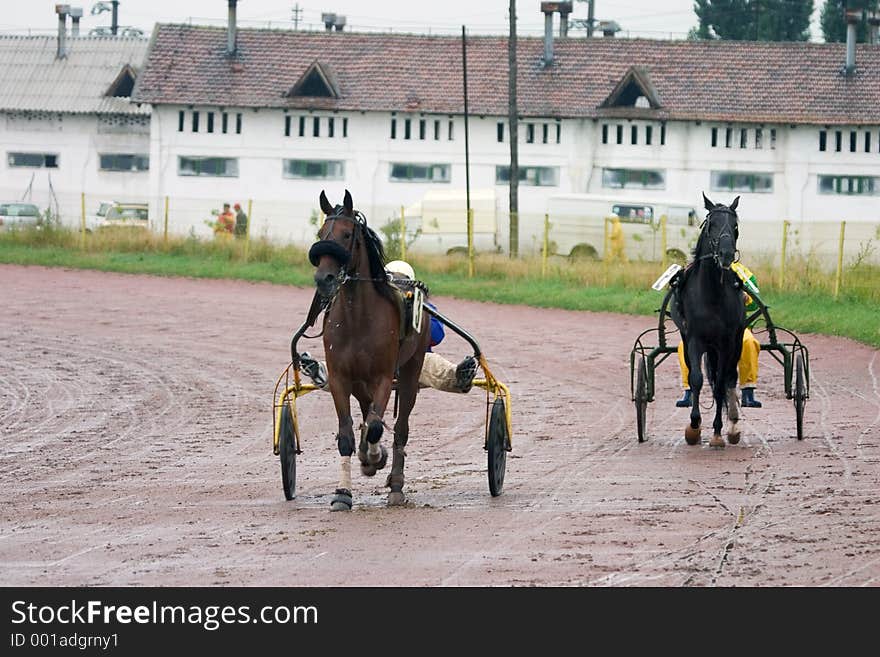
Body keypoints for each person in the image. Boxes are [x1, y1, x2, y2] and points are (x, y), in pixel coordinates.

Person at [298, 260, 478, 394]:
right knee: (345, 365)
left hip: (411, 364)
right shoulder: (374, 308)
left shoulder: (421, 307)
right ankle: (320, 372)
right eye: (394, 281)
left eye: (403, 281)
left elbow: (437, 336)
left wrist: (417, 315)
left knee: (430, 362)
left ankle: (458, 377)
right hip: (373, 363)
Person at [675, 261, 762, 408]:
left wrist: (746, 299)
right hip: (702, 327)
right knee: (685, 346)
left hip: (733, 328)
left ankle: (748, 391)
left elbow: (755, 301)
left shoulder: (742, 272)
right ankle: (689, 392)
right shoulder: (697, 271)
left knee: (748, 342)